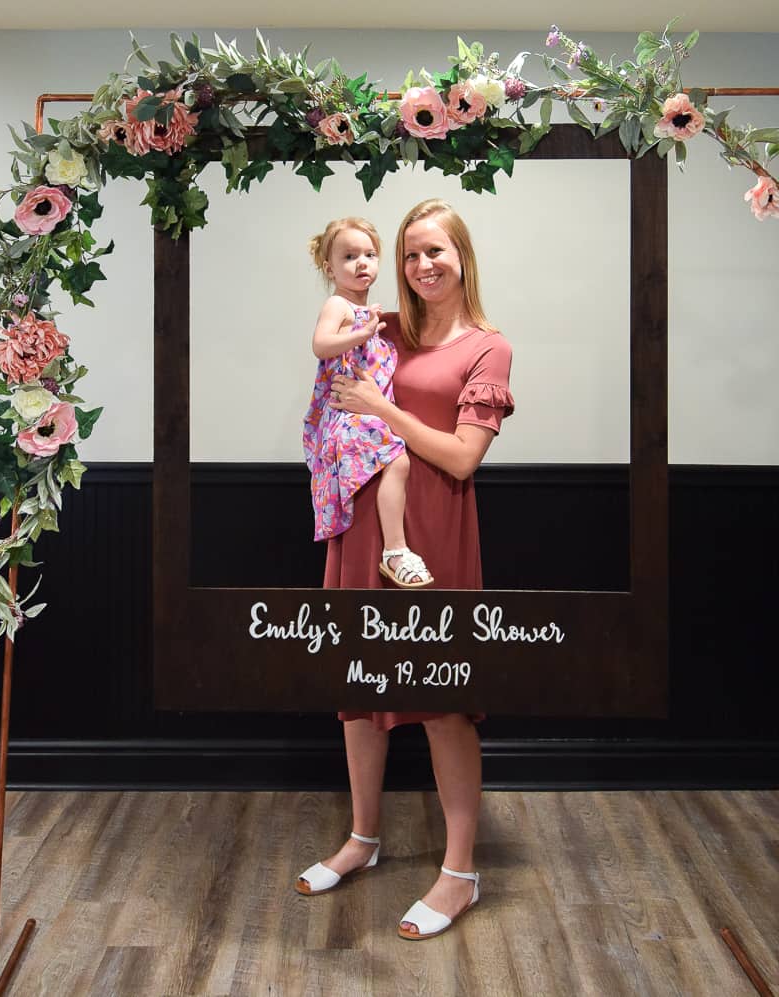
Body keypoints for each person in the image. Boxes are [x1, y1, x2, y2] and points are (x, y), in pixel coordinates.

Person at [295, 199, 514, 940]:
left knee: (446, 701)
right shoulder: (380, 325)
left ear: (463, 257)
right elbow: (330, 360)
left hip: (437, 535)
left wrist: (382, 415)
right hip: (366, 524)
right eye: (411, 253)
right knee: (357, 691)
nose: (423, 264)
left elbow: (459, 455)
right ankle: (363, 836)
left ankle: (460, 873)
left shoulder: (489, 348)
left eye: (437, 251)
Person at [302, 217, 434, 588]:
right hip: (347, 413)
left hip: (365, 409)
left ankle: (394, 547)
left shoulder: (369, 313)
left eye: (369, 254)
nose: (362, 263)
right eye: (349, 256)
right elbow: (321, 344)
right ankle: (395, 548)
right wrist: (360, 332)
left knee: (399, 460)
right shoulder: (338, 306)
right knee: (399, 458)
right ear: (330, 268)